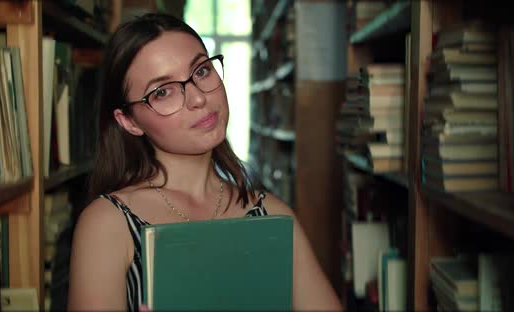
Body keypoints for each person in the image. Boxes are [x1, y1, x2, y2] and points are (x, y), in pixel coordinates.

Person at [67, 13, 342, 311]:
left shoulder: (271, 216)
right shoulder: (107, 224)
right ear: (130, 121)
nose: (197, 98)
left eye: (201, 71)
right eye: (162, 92)